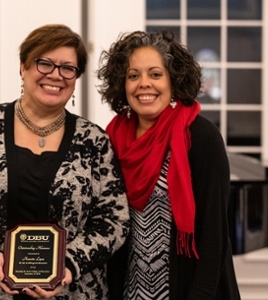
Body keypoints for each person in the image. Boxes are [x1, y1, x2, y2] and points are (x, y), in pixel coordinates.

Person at [0, 24, 130, 300]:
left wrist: (69, 265)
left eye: (67, 68)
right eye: (44, 63)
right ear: (23, 67)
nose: (56, 75)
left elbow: (114, 219)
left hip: (70, 291)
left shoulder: (94, 141)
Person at [97, 29, 241, 300]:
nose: (144, 84)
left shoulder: (200, 137)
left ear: (173, 80)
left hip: (191, 291)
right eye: (133, 75)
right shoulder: (112, 139)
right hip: (130, 291)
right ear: (122, 83)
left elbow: (214, 236)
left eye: (155, 74)